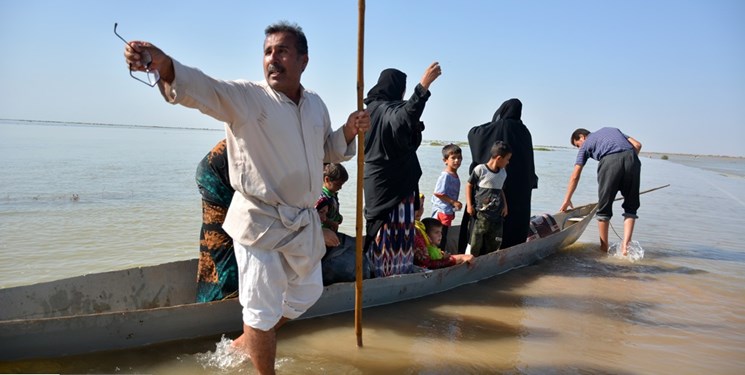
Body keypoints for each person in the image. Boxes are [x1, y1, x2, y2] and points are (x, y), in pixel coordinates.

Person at [123, 21, 370, 375]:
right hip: (259, 221)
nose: (273, 59)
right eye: (268, 51)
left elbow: (325, 151)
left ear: (303, 60)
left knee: (307, 292)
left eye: (282, 51)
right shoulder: (249, 98)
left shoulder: (315, 105)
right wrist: (165, 66)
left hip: (300, 222)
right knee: (260, 309)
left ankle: (249, 340)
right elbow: (206, 89)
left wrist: (347, 130)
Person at [362, 63, 442, 278]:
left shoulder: (367, 112)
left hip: (376, 182)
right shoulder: (384, 110)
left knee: (377, 228)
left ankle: (378, 274)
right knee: (389, 231)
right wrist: (423, 87)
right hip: (393, 185)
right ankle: (389, 277)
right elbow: (405, 117)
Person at [459, 98, 537, 253]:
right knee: (512, 221)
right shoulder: (524, 132)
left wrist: (493, 124)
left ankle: (476, 253)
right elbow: (528, 163)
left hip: (488, 187)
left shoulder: (491, 129)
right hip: (517, 188)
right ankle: (510, 250)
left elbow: (473, 133)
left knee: (482, 222)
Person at [559, 127, 642, 256]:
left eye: (577, 145)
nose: (579, 148)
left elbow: (575, 175)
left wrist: (567, 199)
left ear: (582, 137)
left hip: (609, 162)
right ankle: (626, 247)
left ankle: (603, 249)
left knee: (604, 209)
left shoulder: (585, 144)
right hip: (632, 159)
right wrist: (627, 162)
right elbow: (637, 145)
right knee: (631, 207)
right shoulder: (612, 130)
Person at [195, 139, 238, 302]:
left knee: (212, 247)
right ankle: (226, 300)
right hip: (217, 177)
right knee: (224, 248)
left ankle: (209, 302)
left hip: (225, 174)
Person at [466, 141, 512, 256]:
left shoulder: (503, 173)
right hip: (481, 215)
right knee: (475, 243)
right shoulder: (480, 169)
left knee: (494, 243)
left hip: (497, 216)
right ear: (499, 158)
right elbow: (469, 185)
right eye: (507, 159)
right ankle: (471, 263)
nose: (508, 162)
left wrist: (505, 206)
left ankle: (488, 262)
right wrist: (469, 205)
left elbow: (500, 189)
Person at [431, 143, 463, 251]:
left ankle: (440, 253)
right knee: (441, 234)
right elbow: (438, 193)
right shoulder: (446, 175)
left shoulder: (454, 174)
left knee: (444, 233)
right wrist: (454, 202)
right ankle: (440, 253)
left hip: (448, 210)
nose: (456, 161)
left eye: (459, 158)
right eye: (453, 158)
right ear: (445, 160)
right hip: (442, 210)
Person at [320, 163, 348, 233]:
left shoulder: (333, 194)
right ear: (327, 180)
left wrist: (338, 217)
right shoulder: (322, 197)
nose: (340, 187)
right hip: (323, 233)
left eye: (342, 185)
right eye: (338, 184)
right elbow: (318, 216)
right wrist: (332, 223)